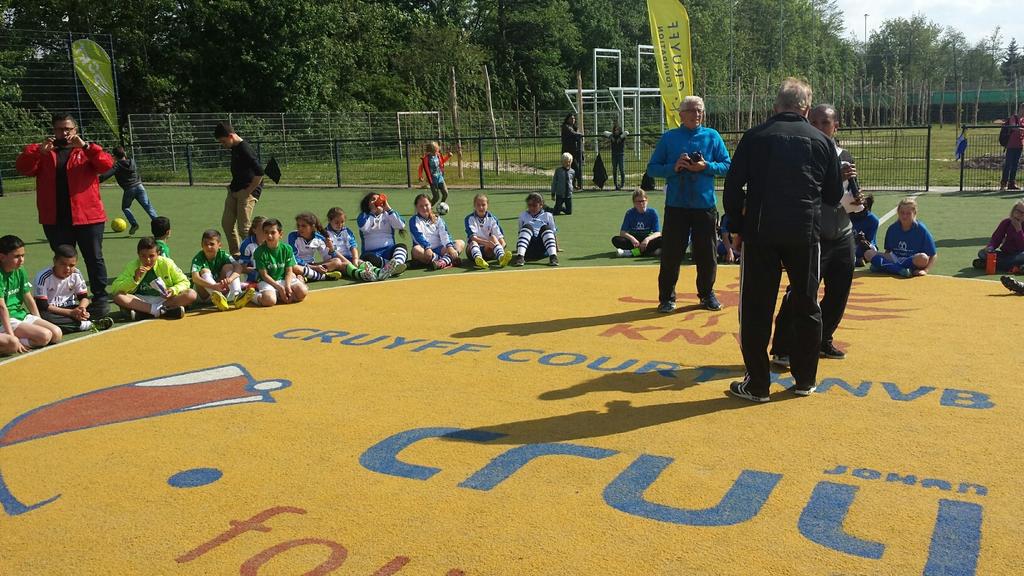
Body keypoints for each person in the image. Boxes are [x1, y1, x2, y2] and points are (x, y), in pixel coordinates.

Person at [722, 78, 843, 402]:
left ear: (775, 107)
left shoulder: (756, 137)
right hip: (805, 233)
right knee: (807, 305)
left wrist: (736, 225)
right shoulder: (822, 141)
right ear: (806, 108)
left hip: (761, 232)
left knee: (756, 308)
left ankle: (758, 384)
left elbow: (732, 189)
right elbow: (833, 195)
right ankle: (805, 380)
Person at [770, 104, 862, 367]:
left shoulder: (846, 156)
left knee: (839, 292)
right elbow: (803, 193)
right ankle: (782, 347)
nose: (820, 128)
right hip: (814, 234)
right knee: (801, 291)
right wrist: (833, 178)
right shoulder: (803, 155)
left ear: (836, 127)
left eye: (825, 123)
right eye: (815, 123)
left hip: (843, 232)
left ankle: (823, 339)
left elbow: (844, 196)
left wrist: (856, 200)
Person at [15, 113, 115, 318]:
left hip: (88, 216)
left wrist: (86, 147)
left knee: (94, 258)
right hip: (56, 218)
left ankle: (100, 298)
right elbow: (23, 168)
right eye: (60, 129)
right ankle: (64, 301)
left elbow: (106, 164)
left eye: (68, 129)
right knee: (63, 261)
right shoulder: (43, 151)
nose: (64, 133)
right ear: (54, 130)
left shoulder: (86, 150)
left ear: (75, 130)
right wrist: (37, 154)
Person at [646, 96, 732, 312]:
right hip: (677, 205)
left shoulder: (712, 136)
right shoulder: (670, 138)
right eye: (692, 110)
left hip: (704, 206)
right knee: (671, 254)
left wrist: (706, 166)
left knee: (707, 254)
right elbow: (652, 168)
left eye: (700, 110)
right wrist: (674, 168)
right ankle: (666, 297)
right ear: (681, 114)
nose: (697, 114)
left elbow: (728, 165)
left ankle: (706, 294)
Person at [1, 235, 63, 355]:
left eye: (23, 256)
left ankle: (16, 339)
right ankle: (10, 340)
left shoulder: (20, 270)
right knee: (44, 336)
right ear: (2, 257)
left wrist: (37, 320)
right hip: (5, 320)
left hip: (20, 315)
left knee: (56, 334)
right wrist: (11, 336)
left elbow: (28, 298)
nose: (21, 260)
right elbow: (2, 308)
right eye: (16, 256)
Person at [110, 236, 197, 321]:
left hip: (165, 299)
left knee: (191, 294)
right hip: (141, 301)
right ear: (138, 254)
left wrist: (172, 290)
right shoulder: (132, 266)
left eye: (151, 256)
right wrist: (134, 279)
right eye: (143, 256)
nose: (147, 260)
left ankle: (146, 313)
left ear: (158, 254)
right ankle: (163, 311)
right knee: (118, 296)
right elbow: (115, 288)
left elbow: (184, 282)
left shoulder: (167, 263)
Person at [33, 244, 114, 333]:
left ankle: (73, 324)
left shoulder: (76, 274)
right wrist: (71, 313)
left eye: (71, 265)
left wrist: (81, 309)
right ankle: (89, 324)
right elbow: (43, 305)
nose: (67, 268)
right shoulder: (43, 277)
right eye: (63, 264)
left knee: (103, 307)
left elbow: (84, 298)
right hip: (53, 311)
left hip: (72, 308)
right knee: (42, 317)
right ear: (55, 261)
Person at [214, 121, 263, 256]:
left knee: (244, 228)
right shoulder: (234, 147)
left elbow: (260, 173)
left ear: (231, 136)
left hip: (247, 192)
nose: (223, 145)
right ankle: (236, 254)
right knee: (227, 223)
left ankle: (254, 255)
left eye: (223, 142)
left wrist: (248, 192)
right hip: (234, 190)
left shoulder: (245, 149)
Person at [864, 197, 937, 278]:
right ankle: (899, 270)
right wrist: (882, 258)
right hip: (895, 258)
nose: (904, 216)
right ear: (898, 212)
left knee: (923, 258)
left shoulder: (921, 229)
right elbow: (888, 251)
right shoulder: (892, 228)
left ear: (914, 213)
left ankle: (885, 268)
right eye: (902, 213)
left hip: (911, 260)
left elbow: (933, 255)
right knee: (868, 253)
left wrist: (925, 270)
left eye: (908, 213)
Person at [189, 229, 254, 311]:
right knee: (204, 271)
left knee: (229, 267)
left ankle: (237, 296)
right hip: (203, 295)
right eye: (205, 244)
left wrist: (230, 279)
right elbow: (195, 278)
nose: (208, 247)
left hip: (221, 292)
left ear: (219, 245)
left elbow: (238, 267)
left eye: (212, 244)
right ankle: (218, 297)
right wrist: (213, 286)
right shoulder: (198, 258)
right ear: (201, 245)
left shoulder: (223, 255)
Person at [100, 146, 157, 236]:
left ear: (114, 156)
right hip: (140, 186)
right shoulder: (132, 161)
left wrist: (96, 180)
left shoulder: (117, 165)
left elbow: (105, 175)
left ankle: (134, 224)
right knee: (148, 207)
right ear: (124, 154)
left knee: (125, 207)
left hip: (129, 189)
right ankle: (159, 226)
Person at [253, 218, 307, 307]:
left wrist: (287, 286)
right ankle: (252, 295)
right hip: (267, 281)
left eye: (273, 232)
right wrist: (280, 288)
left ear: (280, 234)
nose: (269, 236)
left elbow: (289, 271)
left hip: (283, 279)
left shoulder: (287, 249)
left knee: (302, 293)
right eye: (266, 232)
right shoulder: (259, 252)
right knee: (269, 301)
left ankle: (280, 294)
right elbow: (264, 275)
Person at [287, 212, 351, 283]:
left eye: (303, 226)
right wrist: (314, 268)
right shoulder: (292, 236)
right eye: (298, 226)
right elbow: (294, 258)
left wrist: (331, 249)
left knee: (337, 262)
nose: (300, 228)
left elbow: (328, 257)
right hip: (298, 265)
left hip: (312, 265)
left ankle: (309, 276)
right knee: (294, 269)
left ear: (312, 227)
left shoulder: (319, 238)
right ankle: (321, 276)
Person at [357, 192, 409, 277]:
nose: (376, 201)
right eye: (373, 199)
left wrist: (388, 208)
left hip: (389, 251)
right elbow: (364, 227)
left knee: (401, 246)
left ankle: (396, 265)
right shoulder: (364, 215)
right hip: (372, 254)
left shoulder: (388, 214)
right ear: (368, 204)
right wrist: (373, 212)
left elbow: (401, 225)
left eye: (378, 199)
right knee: (367, 258)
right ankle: (391, 266)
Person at [409, 194, 465, 270]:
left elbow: (444, 234)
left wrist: (449, 247)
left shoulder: (437, 219)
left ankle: (441, 262)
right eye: (421, 206)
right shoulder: (414, 220)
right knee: (415, 250)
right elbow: (418, 236)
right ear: (416, 207)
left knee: (460, 243)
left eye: (426, 205)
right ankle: (447, 259)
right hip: (424, 250)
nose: (424, 208)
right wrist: (427, 247)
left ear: (431, 205)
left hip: (440, 249)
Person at [974, 200, 1024, 273]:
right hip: (1006, 254)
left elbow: (1022, 247)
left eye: (1023, 213)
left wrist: (1019, 230)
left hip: (1019, 254)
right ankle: (1015, 267)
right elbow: (996, 238)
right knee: (982, 253)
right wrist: (990, 247)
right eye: (1018, 211)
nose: (1020, 215)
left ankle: (989, 264)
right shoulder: (1006, 222)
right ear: (1013, 211)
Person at [464, 193, 512, 269]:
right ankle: (478, 259)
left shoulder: (492, 218)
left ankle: (501, 258)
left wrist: (501, 246)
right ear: (474, 206)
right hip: (472, 250)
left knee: (493, 237)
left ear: (487, 205)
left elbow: (500, 237)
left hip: (488, 251)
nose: (481, 207)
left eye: (483, 205)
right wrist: (488, 243)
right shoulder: (469, 219)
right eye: (478, 205)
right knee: (473, 242)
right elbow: (473, 238)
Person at [511, 192, 559, 267]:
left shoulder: (548, 215)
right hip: (528, 249)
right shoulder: (523, 215)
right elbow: (520, 233)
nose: (532, 208)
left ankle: (553, 257)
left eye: (534, 205)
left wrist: (556, 247)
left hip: (542, 249)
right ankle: (520, 257)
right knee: (527, 227)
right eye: (529, 205)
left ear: (541, 205)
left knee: (545, 227)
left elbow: (553, 233)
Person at [613, 189, 662, 257]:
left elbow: (657, 233)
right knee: (616, 240)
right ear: (634, 203)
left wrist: (646, 240)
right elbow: (622, 232)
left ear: (647, 201)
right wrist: (632, 239)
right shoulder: (629, 213)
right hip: (634, 242)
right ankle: (648, 252)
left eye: (643, 201)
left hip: (647, 240)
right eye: (638, 202)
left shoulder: (653, 213)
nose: (641, 203)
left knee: (663, 240)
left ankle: (631, 253)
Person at [417, 141, 451, 206]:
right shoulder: (426, 158)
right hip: (433, 180)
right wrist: (420, 175)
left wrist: (448, 156)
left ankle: (441, 206)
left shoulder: (438, 155)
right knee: (436, 197)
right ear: (432, 150)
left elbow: (442, 162)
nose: (438, 149)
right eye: (437, 148)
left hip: (440, 178)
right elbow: (421, 167)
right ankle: (429, 208)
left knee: (445, 193)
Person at [999, 104, 1024, 191]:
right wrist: (1022, 129)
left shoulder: (1023, 120)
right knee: (1008, 165)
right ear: (1021, 109)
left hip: (1020, 145)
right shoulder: (1014, 118)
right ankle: (1003, 184)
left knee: (1015, 165)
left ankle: (1012, 183)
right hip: (1011, 145)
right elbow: (1013, 127)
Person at [850, 193, 879, 267]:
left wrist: (863, 241)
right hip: (849, 246)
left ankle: (859, 259)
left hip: (862, 248)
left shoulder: (873, 220)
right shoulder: (846, 216)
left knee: (871, 251)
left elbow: (871, 242)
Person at [239, 216, 267, 284]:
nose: (265, 232)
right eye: (262, 229)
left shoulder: (271, 242)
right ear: (254, 230)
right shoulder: (247, 245)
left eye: (267, 229)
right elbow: (242, 268)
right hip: (254, 280)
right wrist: (258, 271)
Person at [602, 123, 630, 190]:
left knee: (621, 169)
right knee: (614, 170)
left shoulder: (622, 135)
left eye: (617, 130)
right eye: (615, 130)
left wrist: (620, 137)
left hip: (621, 154)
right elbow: (604, 132)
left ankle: (622, 184)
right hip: (614, 155)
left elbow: (627, 132)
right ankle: (616, 185)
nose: (616, 131)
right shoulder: (612, 135)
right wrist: (611, 137)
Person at [561, 113, 583, 189]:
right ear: (567, 119)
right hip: (568, 152)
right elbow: (573, 134)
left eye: (574, 118)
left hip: (574, 151)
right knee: (573, 169)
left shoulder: (573, 127)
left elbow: (576, 135)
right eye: (571, 118)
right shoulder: (566, 127)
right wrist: (579, 135)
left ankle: (574, 184)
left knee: (574, 169)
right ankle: (577, 185)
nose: (573, 120)